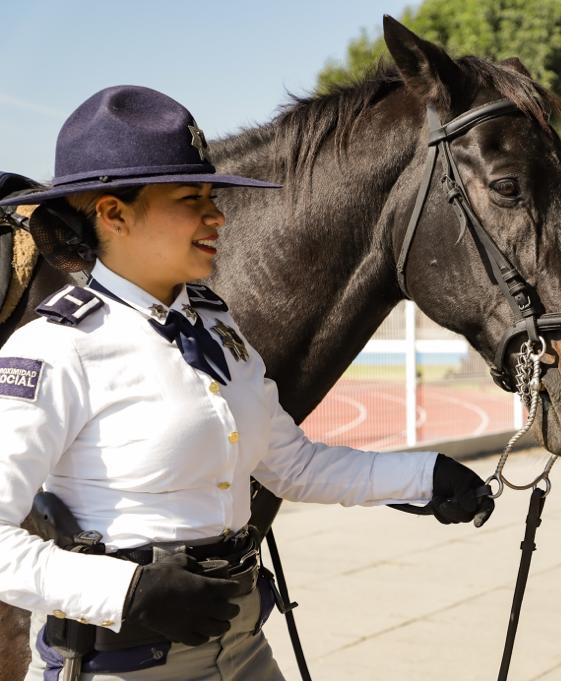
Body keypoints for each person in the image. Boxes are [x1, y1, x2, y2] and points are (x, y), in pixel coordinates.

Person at [0, 85, 494, 681]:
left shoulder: (215, 324)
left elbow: (292, 465)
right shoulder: (57, 347)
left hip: (243, 652)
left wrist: (424, 477)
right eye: (191, 199)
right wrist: (124, 591)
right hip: (125, 664)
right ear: (113, 214)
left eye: (212, 196)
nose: (216, 216)